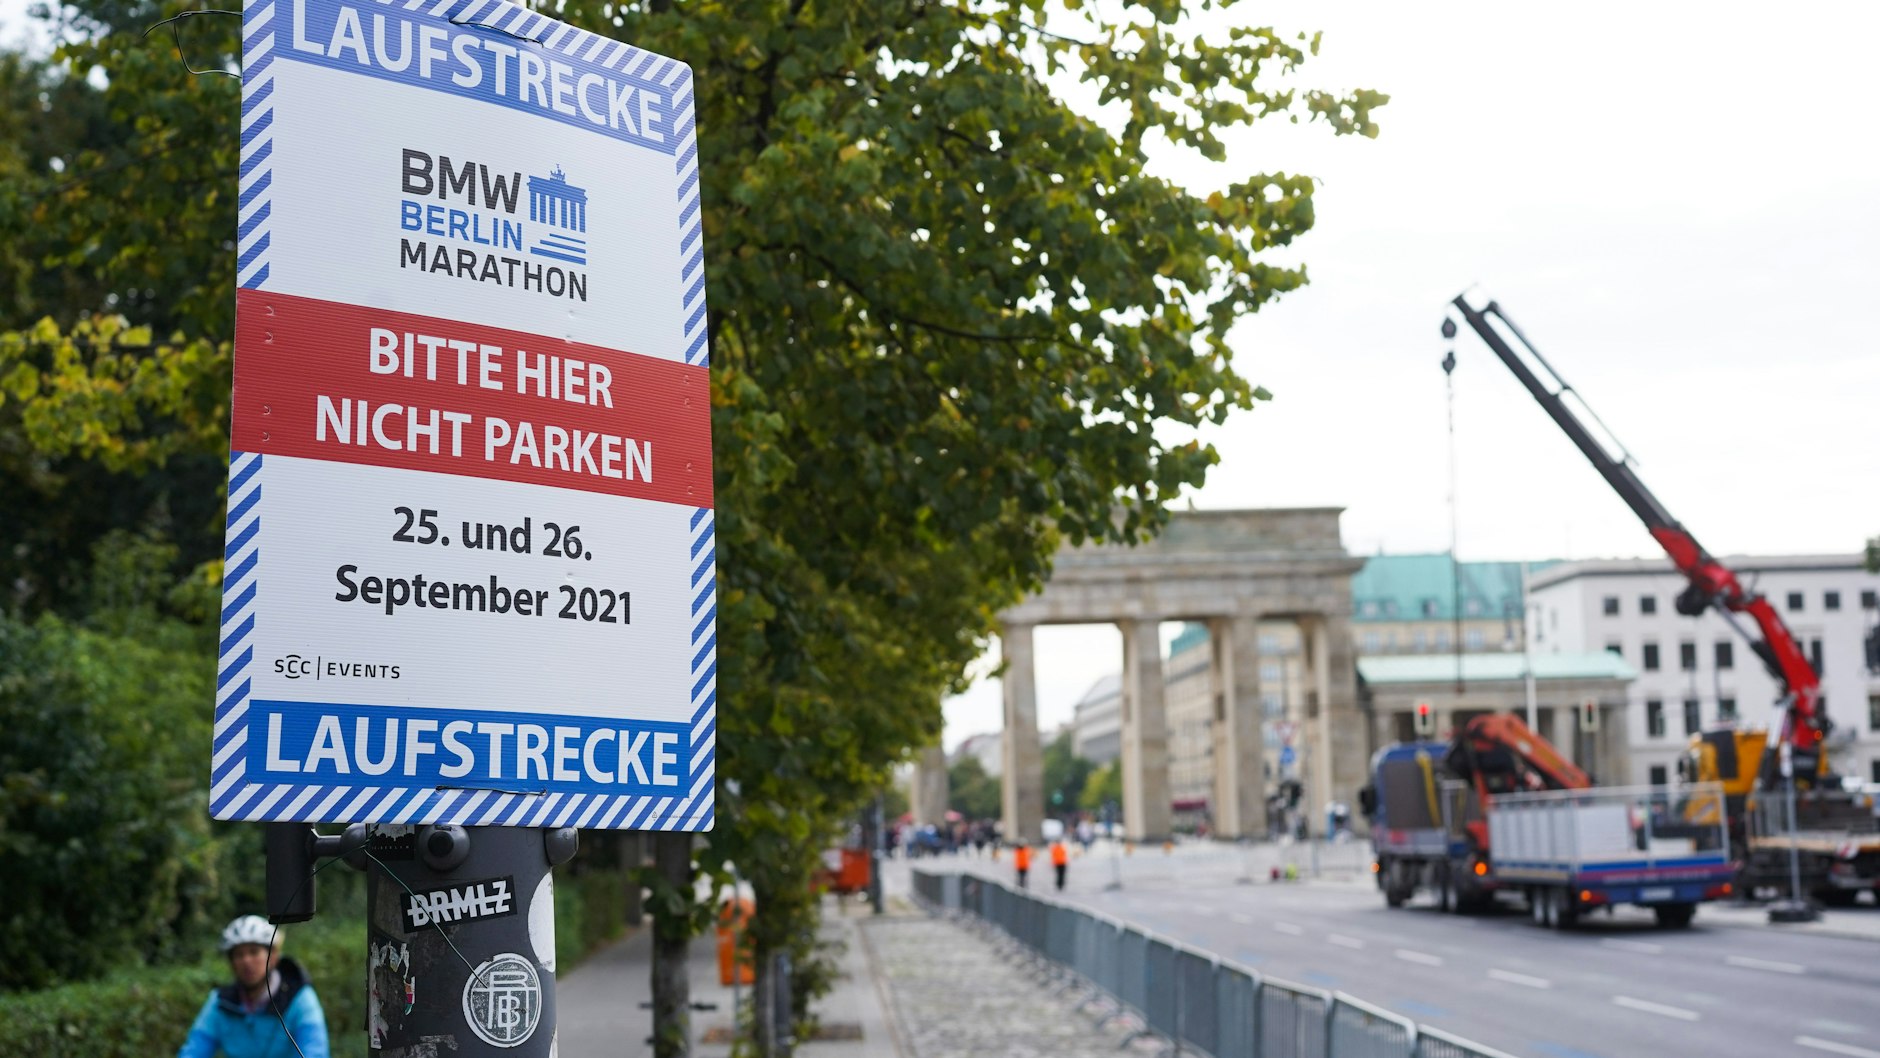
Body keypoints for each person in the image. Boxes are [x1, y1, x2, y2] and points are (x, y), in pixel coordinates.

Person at [179, 914, 329, 1058]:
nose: (247, 961)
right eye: (239, 955)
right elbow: (195, 1049)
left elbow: (315, 1051)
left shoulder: (300, 998)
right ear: (231, 963)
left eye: (254, 952)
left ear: (273, 956)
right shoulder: (220, 1003)